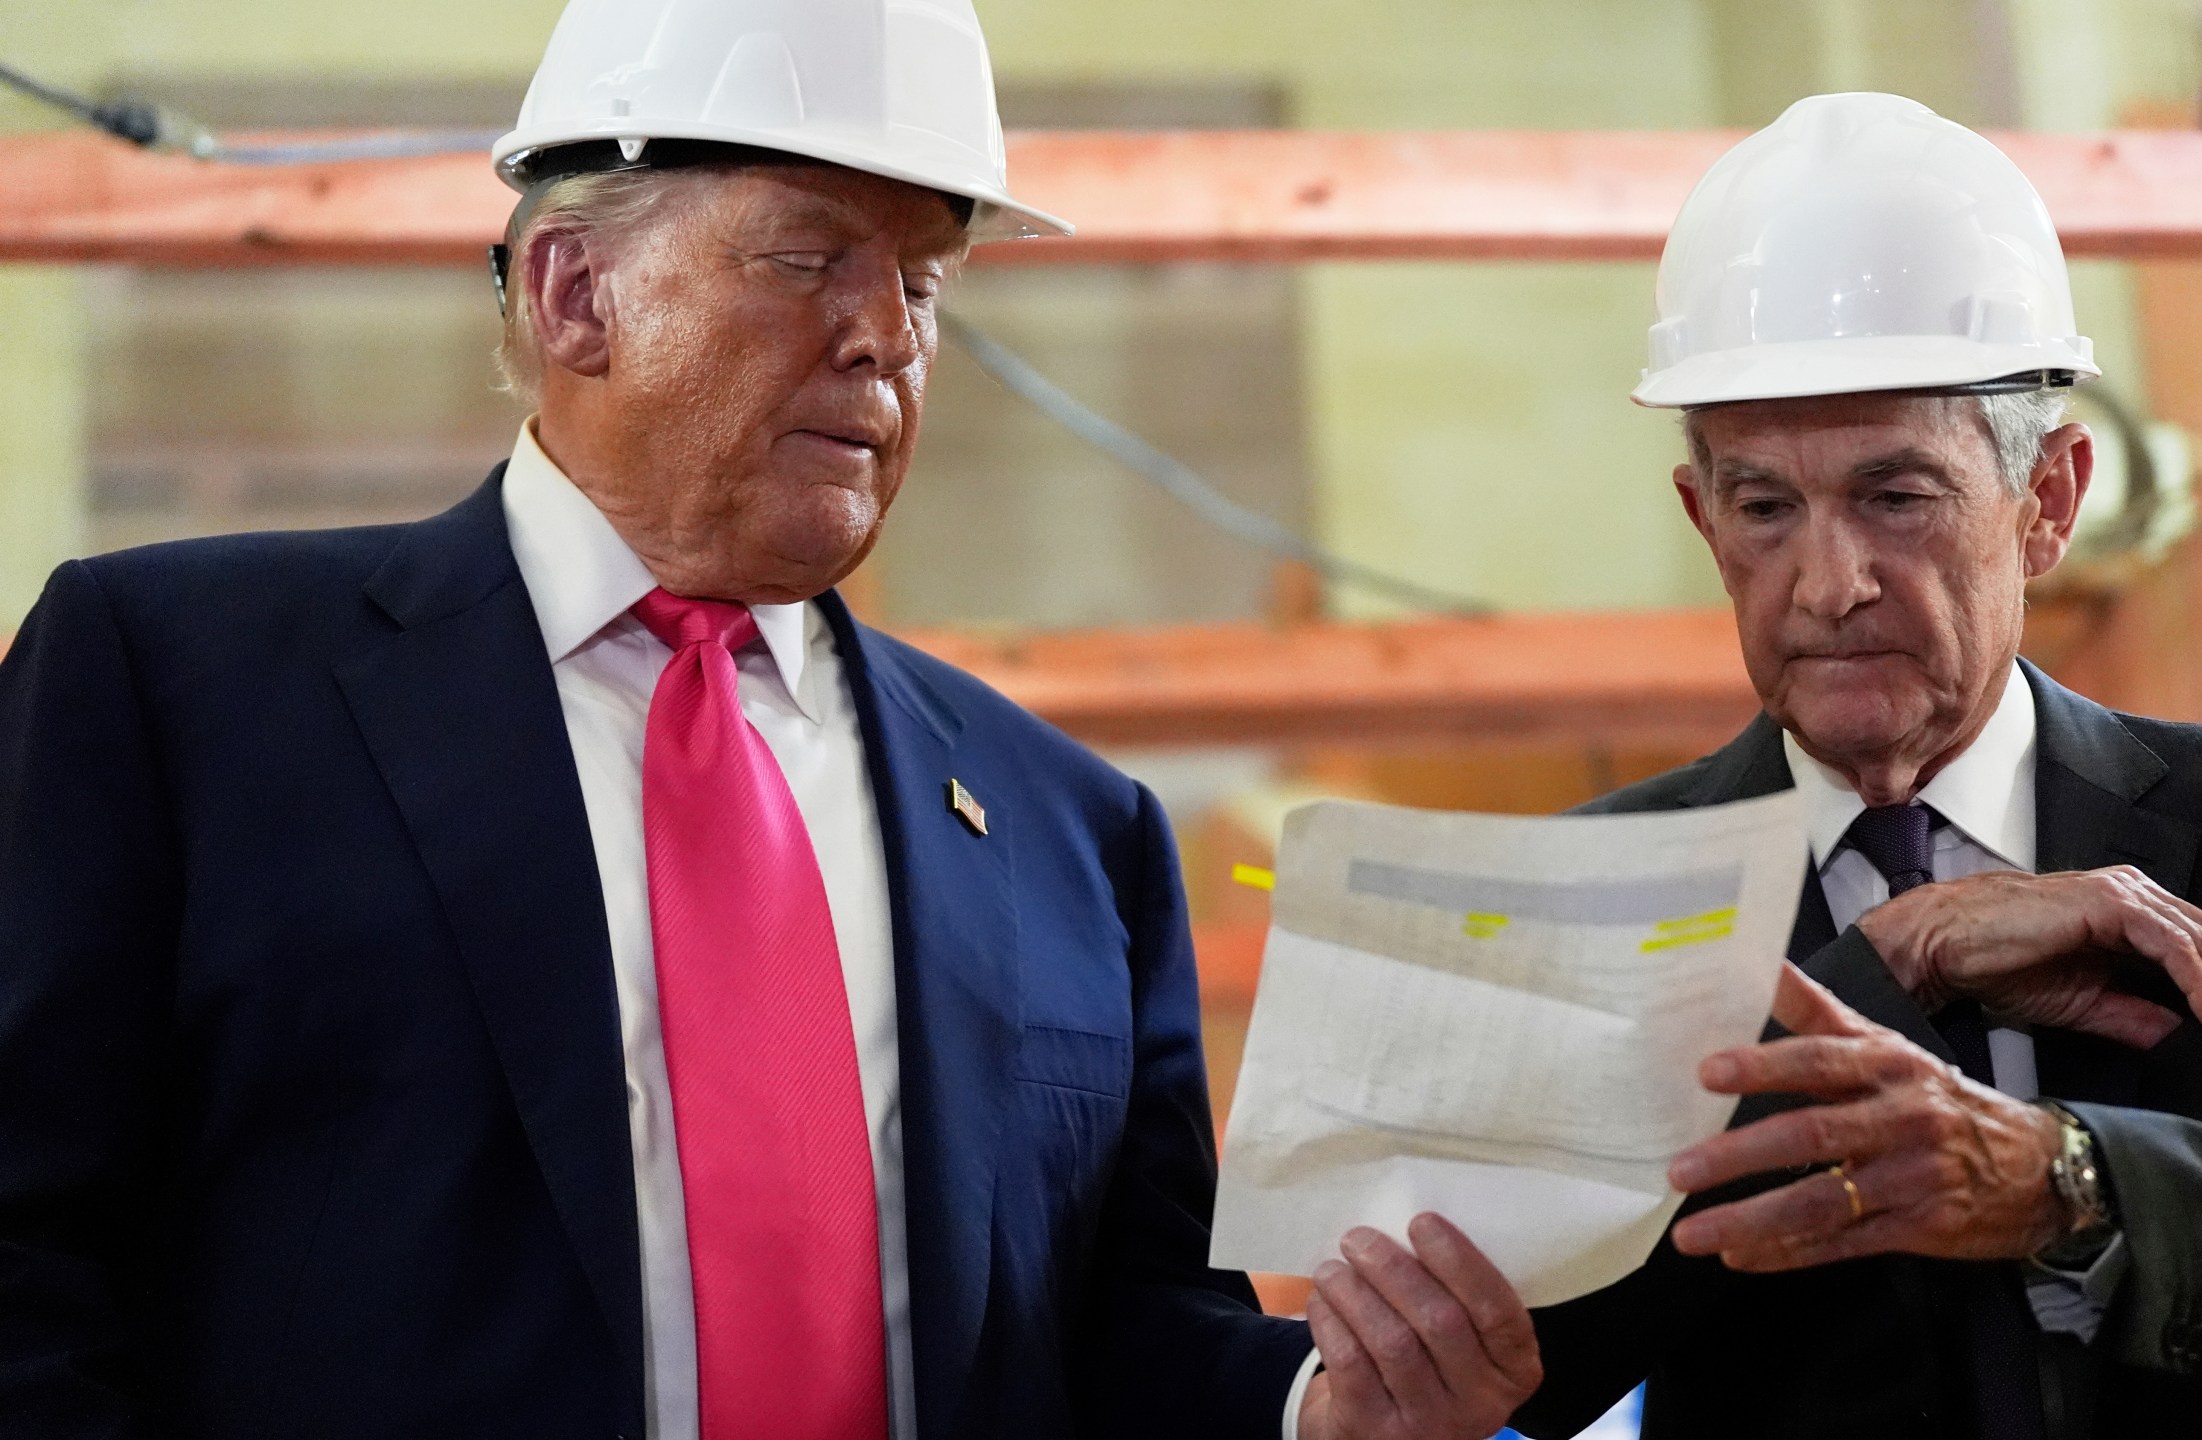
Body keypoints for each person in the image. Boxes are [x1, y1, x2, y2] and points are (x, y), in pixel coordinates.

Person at [0, 2, 1537, 1436]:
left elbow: (1124, 1330)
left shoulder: (1072, 830)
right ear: (576, 293)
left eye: (925, 280)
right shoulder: (178, 690)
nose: (890, 337)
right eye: (808, 260)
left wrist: (1321, 1410)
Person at [1507, 93, 2202, 1439]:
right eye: (1767, 508)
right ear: (1705, 517)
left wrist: (2072, 1183)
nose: (1829, 584)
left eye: (1896, 496)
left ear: (2046, 500)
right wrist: (1894, 955)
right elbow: (1530, 1347)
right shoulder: (1600, 885)